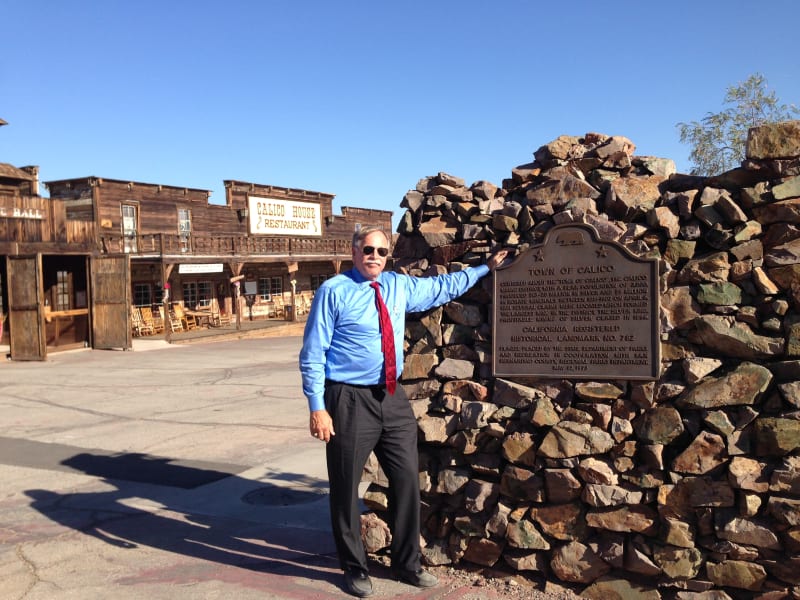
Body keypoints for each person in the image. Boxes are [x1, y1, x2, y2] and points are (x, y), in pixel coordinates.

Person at [299, 226, 508, 598]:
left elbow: (441, 288)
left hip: (392, 398)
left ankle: (407, 563)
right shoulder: (333, 292)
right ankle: (355, 567)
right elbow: (313, 354)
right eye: (368, 249)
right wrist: (318, 407)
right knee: (345, 486)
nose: (375, 256)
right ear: (354, 251)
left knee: (407, 481)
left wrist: (483, 269)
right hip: (348, 399)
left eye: (381, 250)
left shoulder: (398, 285)